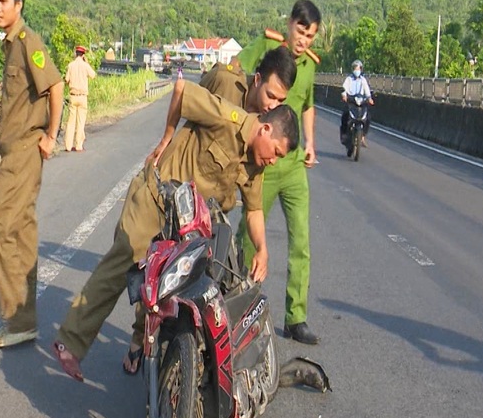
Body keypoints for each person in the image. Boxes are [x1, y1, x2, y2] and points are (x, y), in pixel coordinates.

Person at [52, 48, 299, 381]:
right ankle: (71, 341)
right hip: (159, 198)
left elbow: (253, 208)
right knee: (125, 260)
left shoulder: (257, 161)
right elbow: (183, 92)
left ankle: (164, 360)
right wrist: (166, 138)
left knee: (194, 291)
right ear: (266, 130)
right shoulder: (229, 106)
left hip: (193, 226)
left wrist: (264, 249)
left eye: (278, 100)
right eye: (270, 95)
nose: (271, 104)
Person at [235, 0, 322, 345]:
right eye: (300, 31)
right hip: (264, 163)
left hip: (293, 168)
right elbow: (236, 73)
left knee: (301, 240)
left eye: (311, 35)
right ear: (289, 24)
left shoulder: (312, 67)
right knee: (248, 236)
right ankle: (239, 304)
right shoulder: (268, 47)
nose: (303, 40)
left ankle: (296, 317)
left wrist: (311, 142)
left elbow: (308, 106)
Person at [0, 0, 64, 348]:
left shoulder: (27, 42)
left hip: (23, 152)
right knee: (20, 232)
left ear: (18, 4)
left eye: (3, 1)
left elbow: (56, 85)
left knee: (2, 230)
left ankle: (14, 316)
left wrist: (51, 136)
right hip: (14, 153)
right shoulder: (10, 44)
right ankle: (24, 320)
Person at [63, 45, 97, 151]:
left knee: (71, 122)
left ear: (75, 54)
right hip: (82, 97)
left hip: (73, 96)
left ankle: (68, 146)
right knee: (80, 122)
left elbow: (66, 79)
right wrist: (86, 63)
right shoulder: (85, 66)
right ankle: (78, 145)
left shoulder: (71, 65)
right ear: (83, 55)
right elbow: (93, 75)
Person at [340, 59, 374, 150]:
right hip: (351, 101)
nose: (357, 70)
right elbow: (344, 89)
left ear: (361, 69)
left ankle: (362, 136)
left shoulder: (363, 80)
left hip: (361, 102)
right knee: (345, 115)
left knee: (368, 117)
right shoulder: (349, 79)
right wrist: (344, 95)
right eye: (355, 68)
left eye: (358, 69)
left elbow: (367, 90)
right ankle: (344, 134)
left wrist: (369, 98)